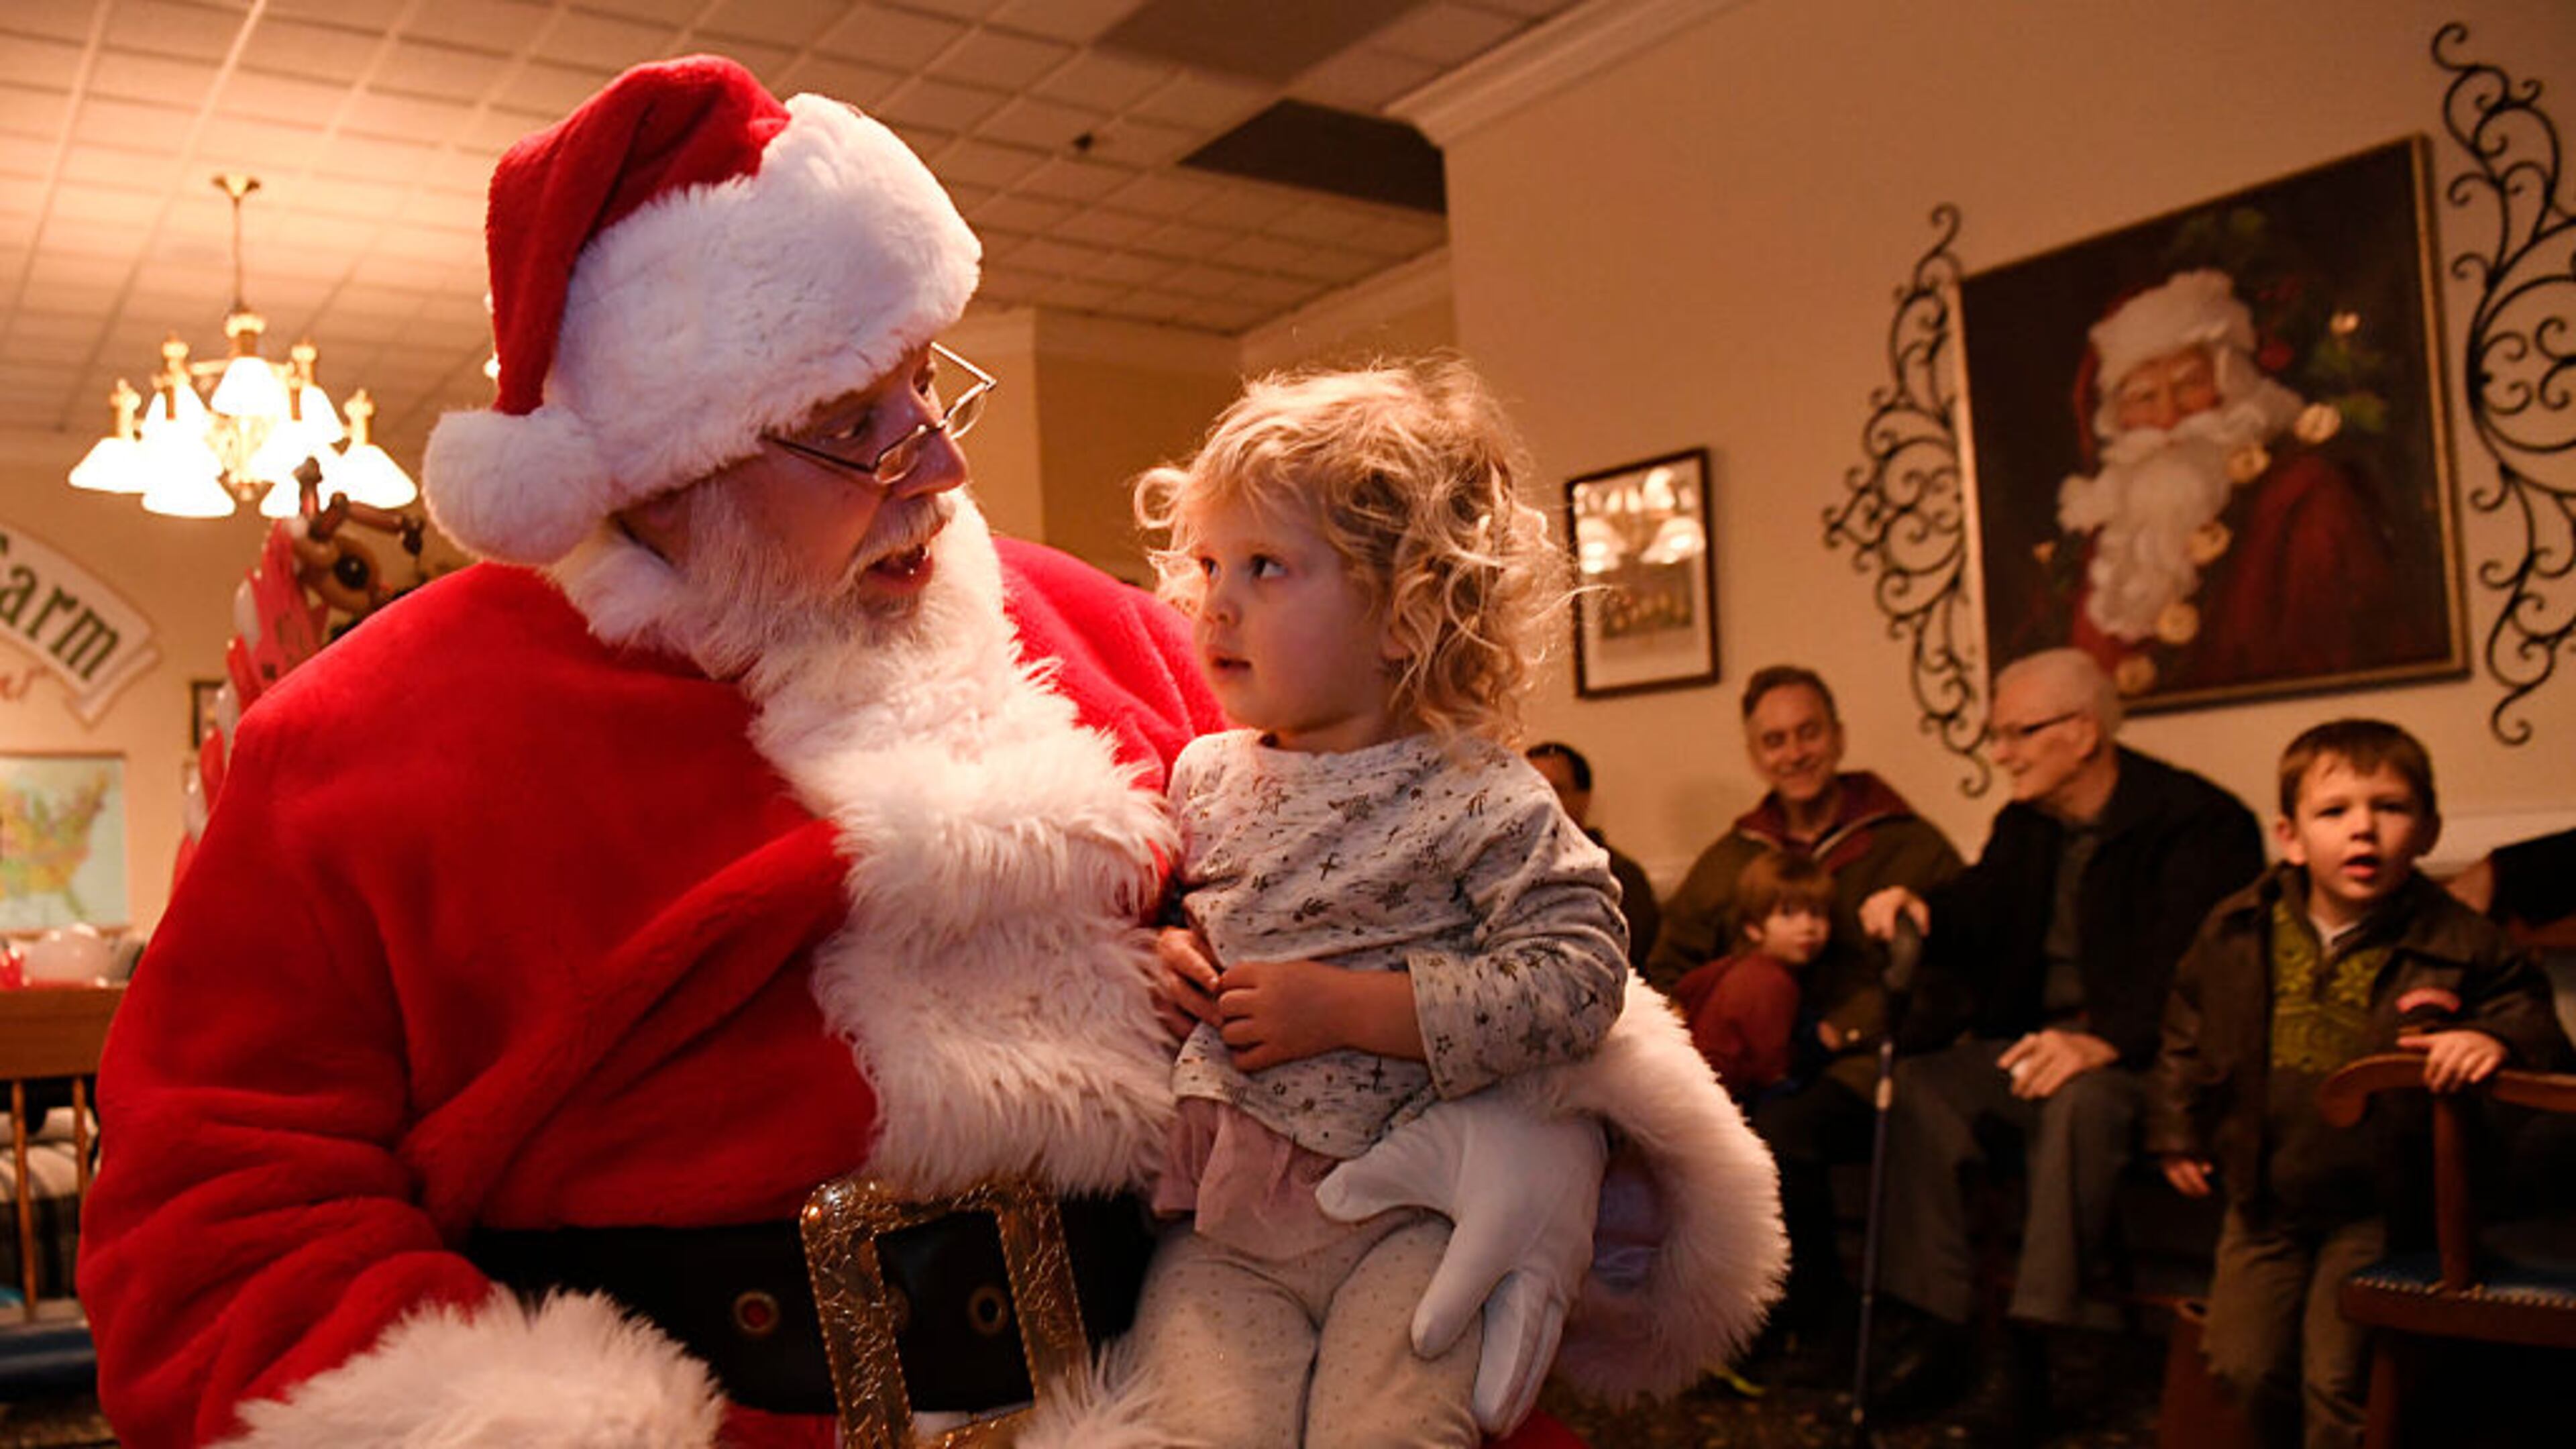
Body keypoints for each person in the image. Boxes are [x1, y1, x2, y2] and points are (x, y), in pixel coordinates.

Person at [74, 58, 1782, 1449]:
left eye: (927, 387)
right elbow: (221, 1210)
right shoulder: (365, 743)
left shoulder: (1108, 639)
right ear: (660, 467)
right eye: (852, 422)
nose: (940, 466)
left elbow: (1403, 903)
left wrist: (1541, 1126)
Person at [1126, 360, 1628, 1446]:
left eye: (1267, 567)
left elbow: (1582, 979)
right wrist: (1162, 953)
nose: (1215, 601)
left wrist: (1351, 1010)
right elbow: (1177, 915)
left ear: (1405, 617)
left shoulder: (1480, 790)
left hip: (1408, 1216)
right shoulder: (1202, 776)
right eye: (1208, 564)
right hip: (1223, 1223)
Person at [1858, 647, 2265, 1440]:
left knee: (2078, 1103)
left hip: (2146, 1062)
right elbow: (1984, 903)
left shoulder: (2198, 824)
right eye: (1997, 736)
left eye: (2017, 734)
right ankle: (1940, 1325)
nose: (2001, 753)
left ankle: (2031, 1350)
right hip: (2031, 1045)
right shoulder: (2028, 825)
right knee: (1919, 1086)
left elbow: (2204, 969)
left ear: (2082, 732)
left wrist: (2105, 1040)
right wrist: (1925, 907)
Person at [2149, 719, 2563, 1449]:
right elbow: (2188, 1024)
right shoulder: (2239, 926)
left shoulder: (2461, 938)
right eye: (2335, 812)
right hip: (2265, 1192)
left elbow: (2532, 1020)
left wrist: (2490, 1037)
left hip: (2380, 1200)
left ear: (2430, 830)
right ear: (2292, 835)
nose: (2363, 831)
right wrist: (2177, 1128)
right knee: (2241, 1361)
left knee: (2339, 1379)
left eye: (2391, 809)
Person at [1650, 665, 1961, 1335]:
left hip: (1866, 1063)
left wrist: (1839, 1035)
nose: (1794, 754)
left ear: (1839, 736)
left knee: (1786, 1135)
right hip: (1755, 1065)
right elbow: (1671, 971)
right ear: (1755, 754)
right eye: (1775, 741)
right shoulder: (1730, 859)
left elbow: (1952, 977)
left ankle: (1832, 1321)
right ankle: (1740, 1319)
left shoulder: (1910, 845)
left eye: (1808, 733)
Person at [2022, 268, 2445, 699]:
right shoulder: (2112, 542)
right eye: (2144, 397)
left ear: (2231, 386)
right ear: (2119, 418)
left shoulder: (2305, 493)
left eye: (2189, 385)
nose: (2169, 418)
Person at [1671, 851, 1834, 1103]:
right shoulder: (1771, 980)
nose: (1808, 927)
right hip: (1718, 1097)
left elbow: (1686, 989)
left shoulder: (1731, 966)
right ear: (1754, 928)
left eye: (1816, 913)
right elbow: (1771, 1067)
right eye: (1788, 913)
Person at [1527, 740, 1662, 967]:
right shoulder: (1499, 875)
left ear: (1584, 798)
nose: (1538, 802)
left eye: (1554, 790)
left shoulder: (1619, 877)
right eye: (1529, 790)